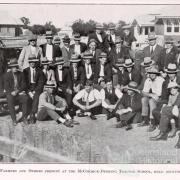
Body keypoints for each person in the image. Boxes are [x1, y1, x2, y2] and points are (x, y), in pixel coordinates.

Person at [152, 63, 180, 129]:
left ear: (175, 73)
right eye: (169, 73)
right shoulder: (165, 83)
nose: (170, 75)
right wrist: (164, 105)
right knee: (155, 111)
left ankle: (174, 126)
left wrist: (175, 105)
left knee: (174, 112)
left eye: (172, 73)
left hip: (178, 103)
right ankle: (168, 126)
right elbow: (164, 97)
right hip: (168, 102)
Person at [139, 67, 164, 132]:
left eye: (153, 73)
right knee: (144, 99)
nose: (152, 74)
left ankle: (153, 123)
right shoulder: (148, 80)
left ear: (156, 74)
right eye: (150, 73)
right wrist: (151, 95)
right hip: (153, 95)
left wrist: (150, 95)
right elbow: (143, 92)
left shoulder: (160, 80)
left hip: (162, 98)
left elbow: (158, 95)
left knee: (151, 101)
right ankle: (145, 120)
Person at [4, 58, 29, 125]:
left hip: (19, 92)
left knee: (25, 98)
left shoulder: (21, 74)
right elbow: (6, 87)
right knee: (9, 99)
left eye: (15, 67)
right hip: (11, 93)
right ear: (11, 68)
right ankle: (14, 119)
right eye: (13, 67)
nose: (14, 68)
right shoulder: (7, 75)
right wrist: (12, 92)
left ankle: (24, 118)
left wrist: (17, 91)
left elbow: (24, 85)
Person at [23, 55, 46, 124]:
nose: (32, 63)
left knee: (36, 97)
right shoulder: (25, 71)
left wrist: (35, 90)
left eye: (33, 62)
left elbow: (41, 82)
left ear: (35, 63)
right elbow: (24, 83)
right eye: (31, 62)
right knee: (26, 98)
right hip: (28, 88)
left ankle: (32, 114)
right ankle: (25, 116)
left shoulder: (39, 71)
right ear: (29, 63)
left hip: (36, 88)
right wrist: (29, 92)